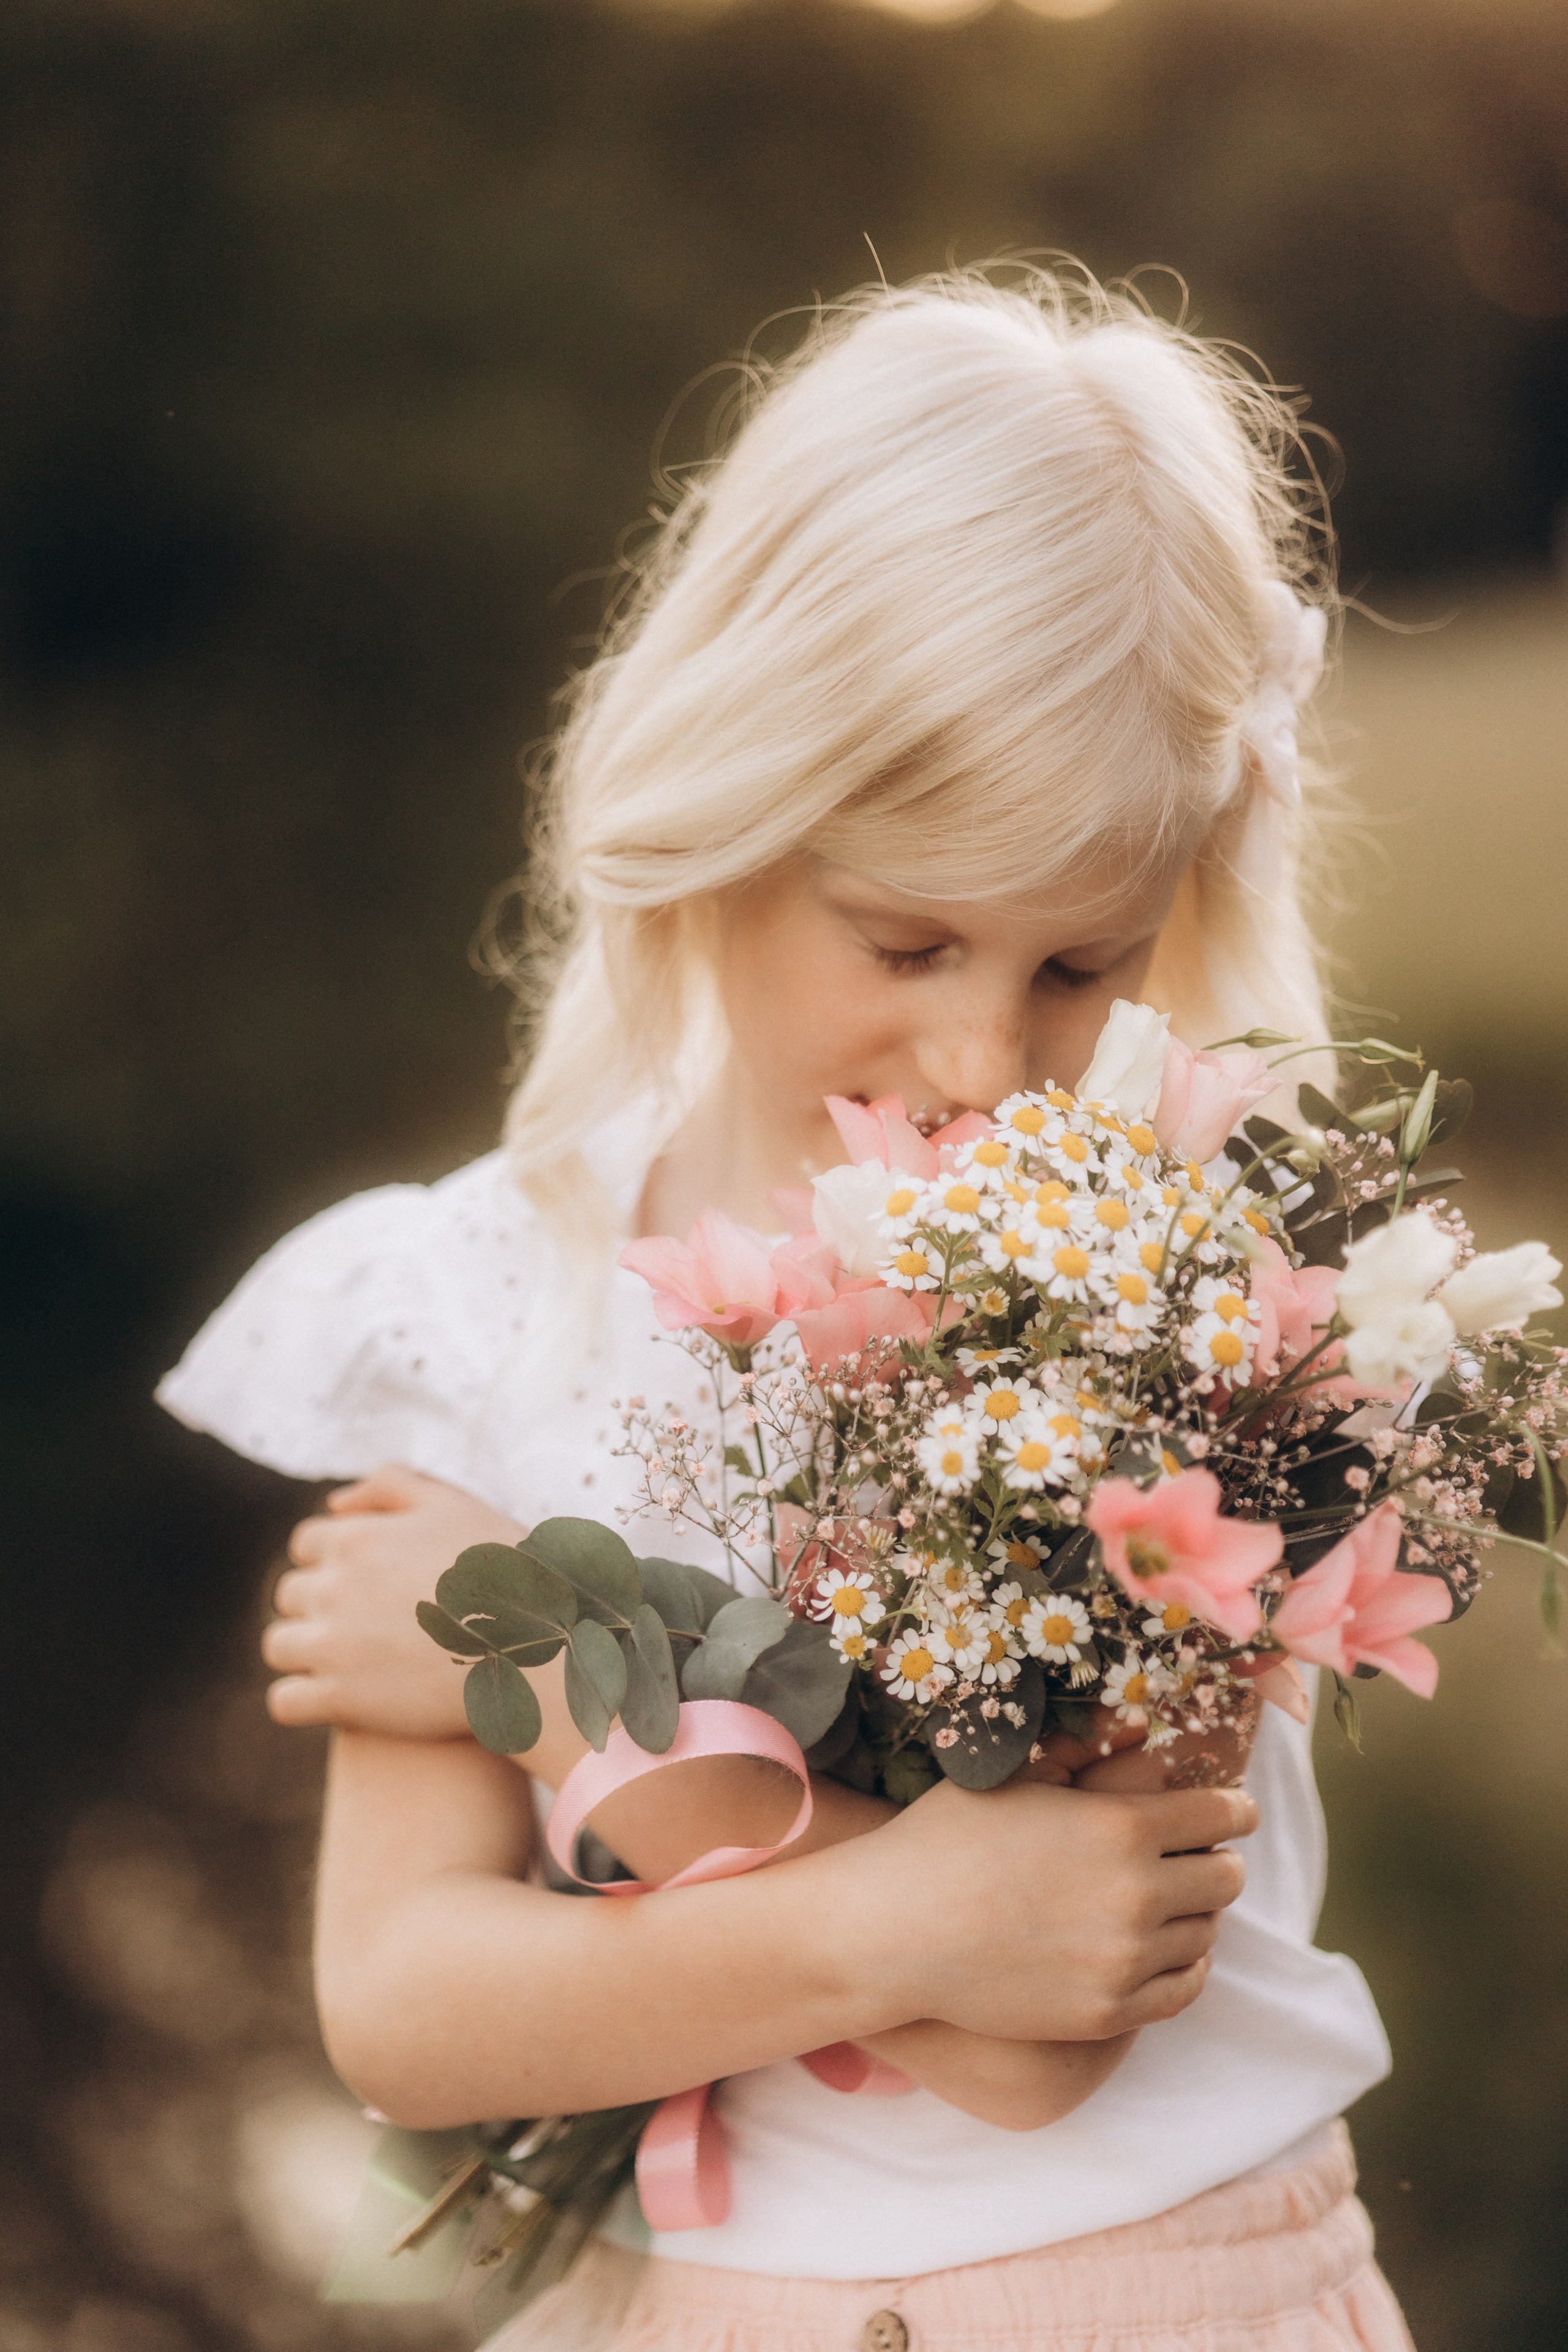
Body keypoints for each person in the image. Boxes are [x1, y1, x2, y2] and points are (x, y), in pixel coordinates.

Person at [157, 266, 1413, 2349]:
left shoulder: (1199, 1287)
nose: (985, 1057)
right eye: (905, 938)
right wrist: (905, 1914)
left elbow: (1039, 2024)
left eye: (1079, 964)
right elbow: (404, 2009)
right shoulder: (495, 1294)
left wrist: (565, 1671)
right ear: (728, 811)